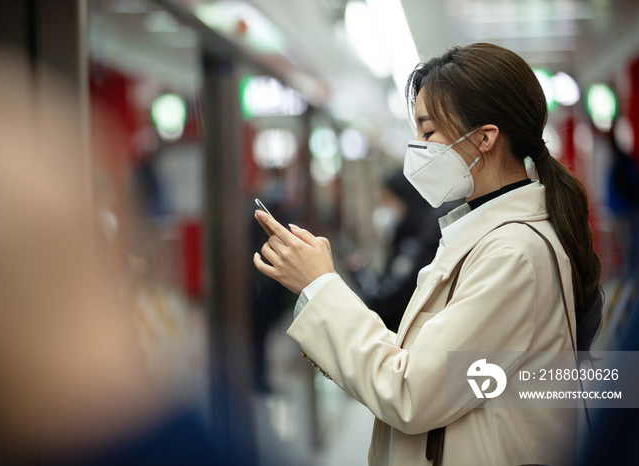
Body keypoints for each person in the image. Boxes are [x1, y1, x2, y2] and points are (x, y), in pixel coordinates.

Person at [253, 43, 603, 466]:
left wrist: (321, 286)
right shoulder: (483, 236)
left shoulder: (513, 255)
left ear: (484, 139)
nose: (417, 147)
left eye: (429, 131)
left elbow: (413, 391)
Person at [346, 172, 458, 332]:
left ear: (405, 197)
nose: (385, 208)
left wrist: (360, 272)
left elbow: (384, 300)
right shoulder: (406, 235)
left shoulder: (422, 242)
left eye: (388, 200)